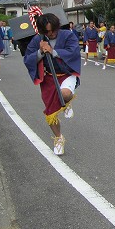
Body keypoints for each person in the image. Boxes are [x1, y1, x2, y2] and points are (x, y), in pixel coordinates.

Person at [23, 13, 81, 156]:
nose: (51, 33)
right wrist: (40, 52)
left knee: (65, 94)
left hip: (66, 74)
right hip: (48, 78)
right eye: (47, 31)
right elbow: (27, 58)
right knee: (50, 113)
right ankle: (58, 138)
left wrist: (53, 51)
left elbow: (73, 52)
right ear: (42, 31)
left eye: (53, 30)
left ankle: (66, 103)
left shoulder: (68, 35)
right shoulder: (38, 39)